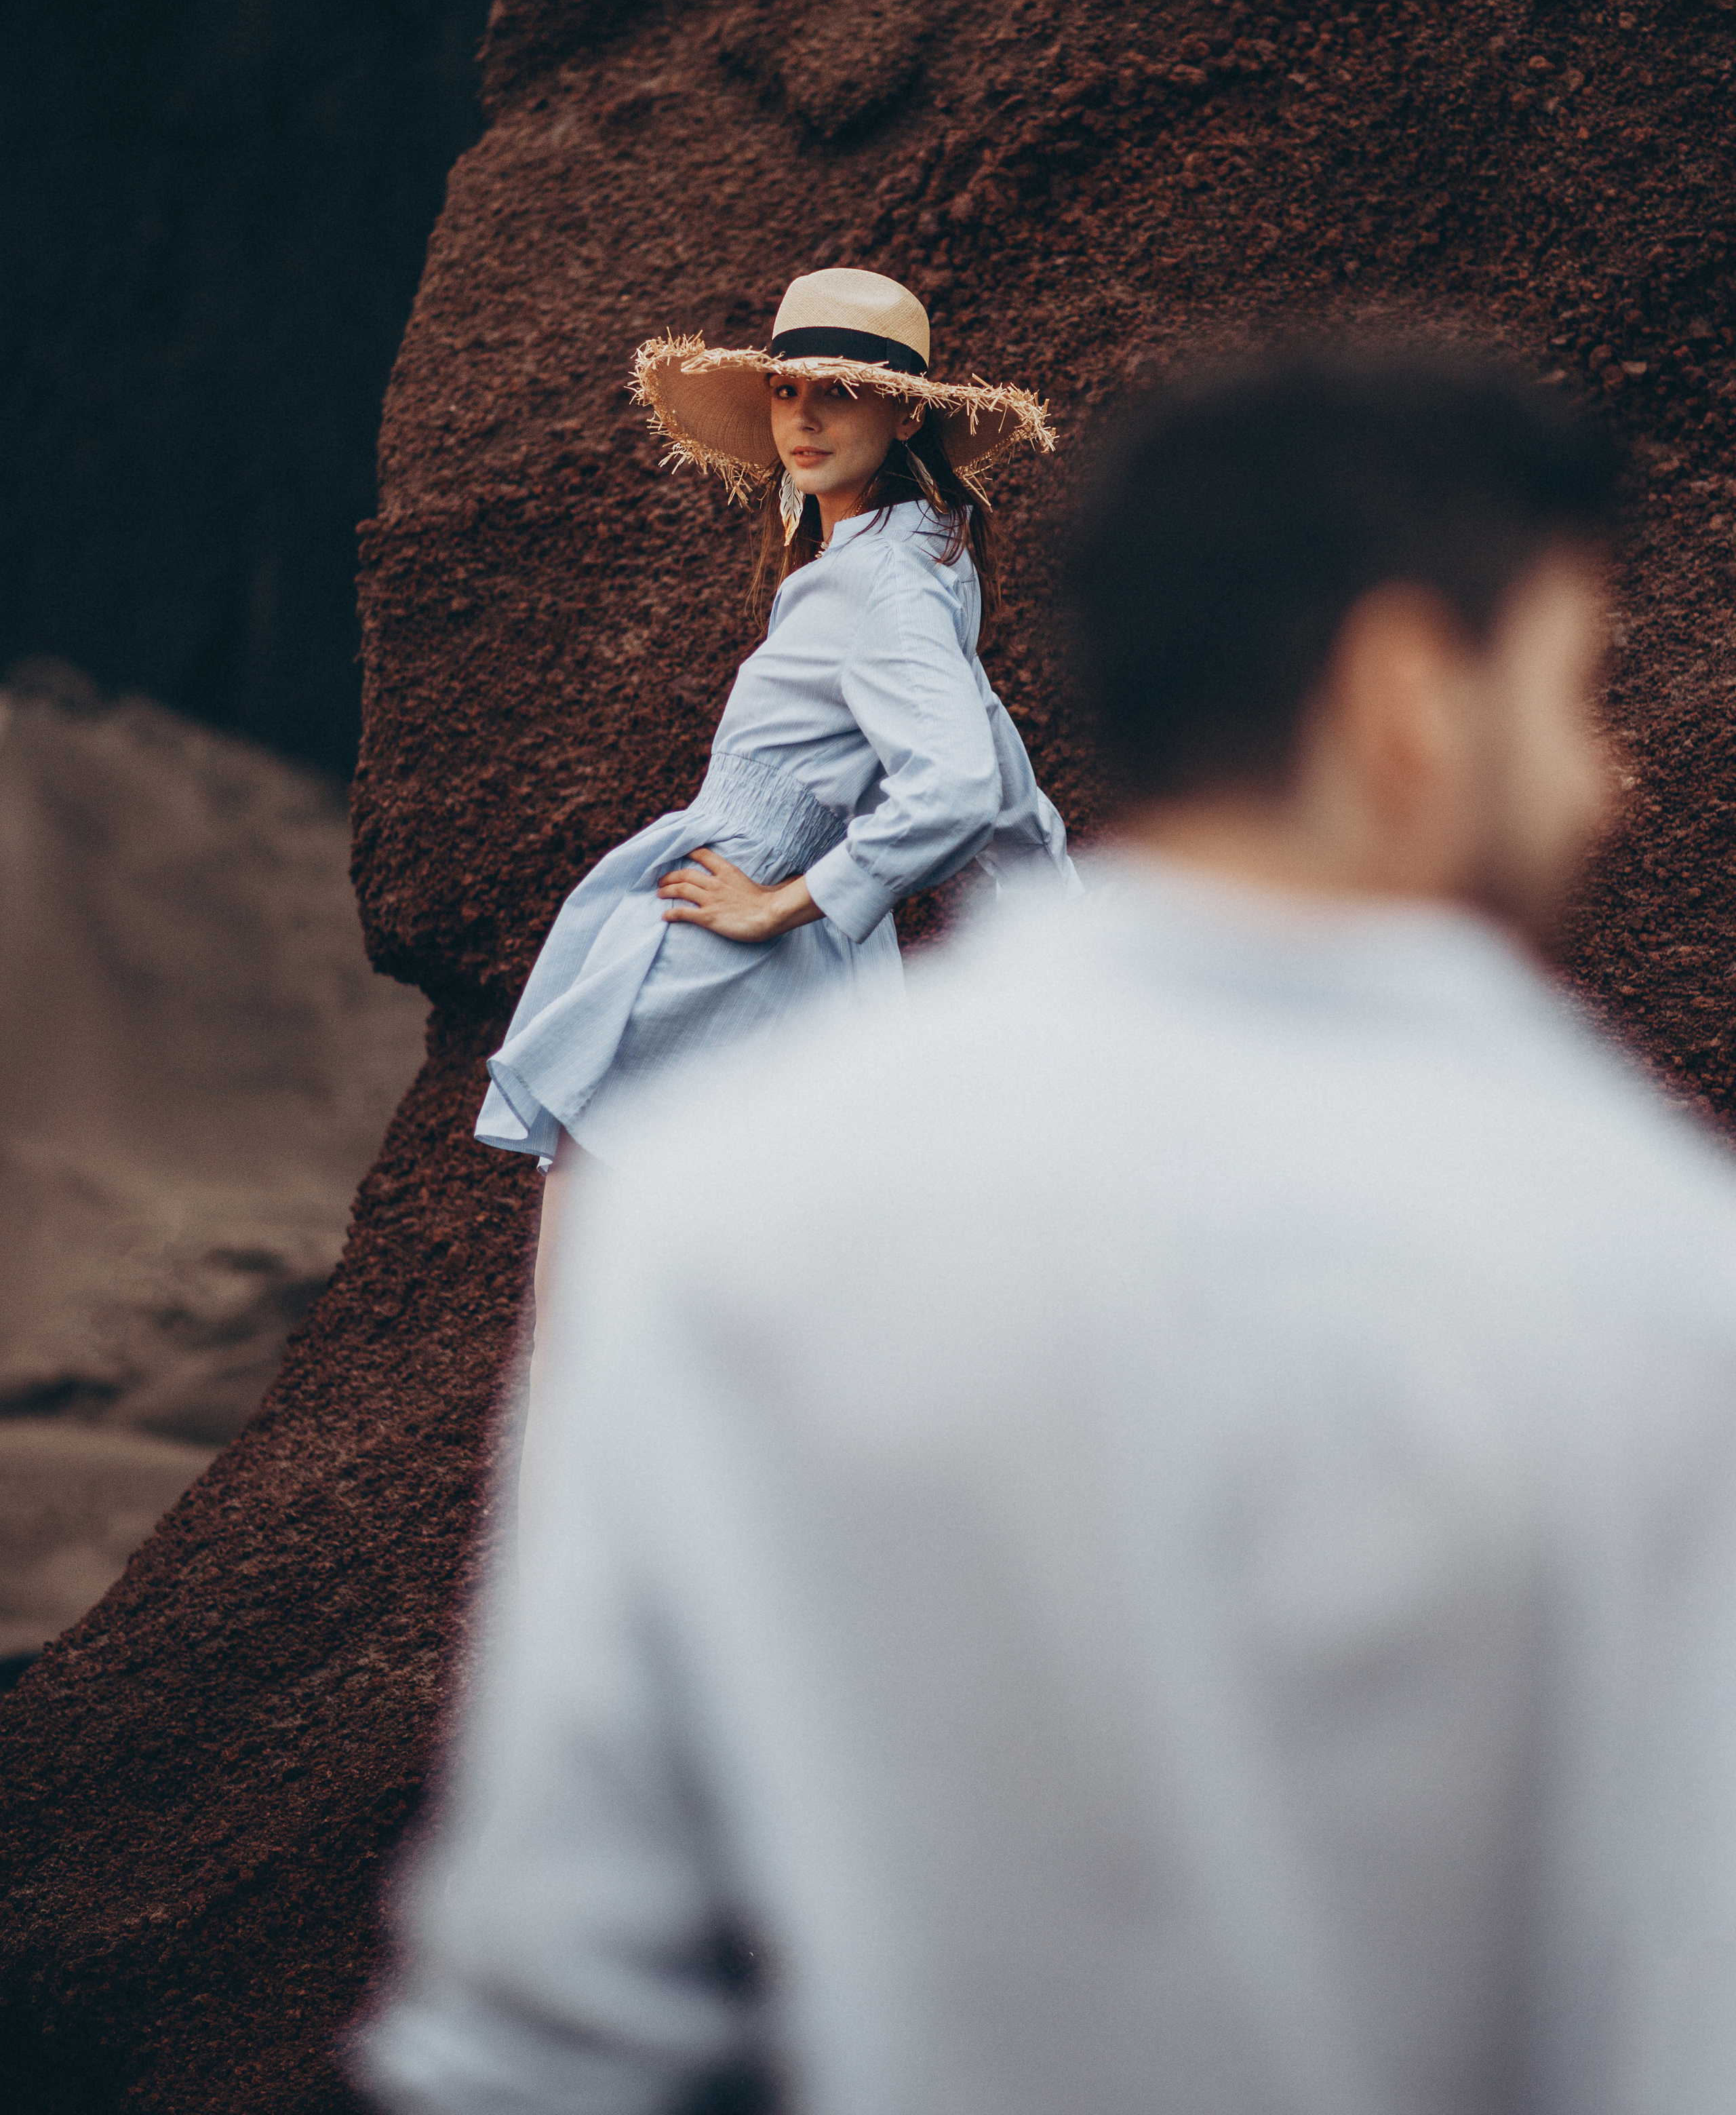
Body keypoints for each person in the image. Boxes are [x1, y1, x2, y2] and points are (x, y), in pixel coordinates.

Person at [361, 340, 1736, 2115]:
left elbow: (543, 2027)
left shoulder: (730, 1214)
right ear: (1408, 703)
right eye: (1577, 696)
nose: (1604, 779)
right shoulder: (1648, 1276)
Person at [479, 262, 1072, 1378]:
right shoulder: (914, 565)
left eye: (838, 391)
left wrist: (790, 902)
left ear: (904, 412)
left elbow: (949, 787)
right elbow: (1004, 793)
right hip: (773, 983)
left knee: (594, 1344)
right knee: (711, 1354)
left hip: (721, 968)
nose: (804, 415)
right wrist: (1065, 950)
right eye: (789, 390)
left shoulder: (885, 584)